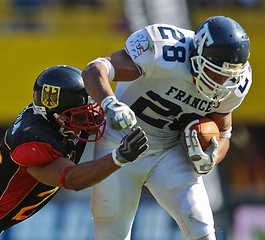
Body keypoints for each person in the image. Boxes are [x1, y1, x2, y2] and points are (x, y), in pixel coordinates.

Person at [0, 65, 148, 239]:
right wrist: (118, 158)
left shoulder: (45, 117)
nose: (89, 118)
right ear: (56, 113)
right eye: (80, 114)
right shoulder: (33, 140)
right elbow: (70, 179)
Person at [81, 16, 251, 239]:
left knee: (200, 225)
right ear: (197, 56)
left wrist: (211, 156)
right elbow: (95, 70)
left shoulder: (235, 84)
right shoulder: (164, 51)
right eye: (215, 72)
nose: (220, 83)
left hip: (168, 149)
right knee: (111, 231)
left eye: (227, 77)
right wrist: (110, 104)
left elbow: (223, 134)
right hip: (120, 142)